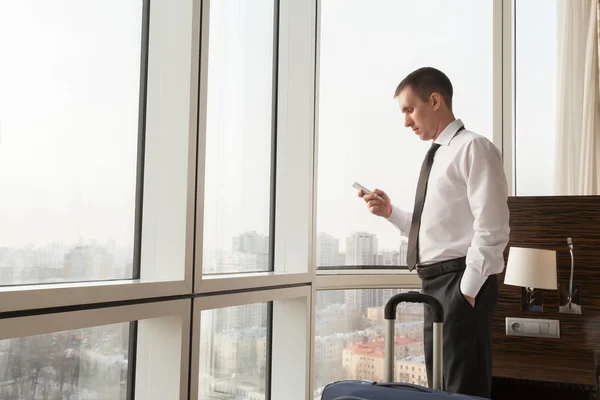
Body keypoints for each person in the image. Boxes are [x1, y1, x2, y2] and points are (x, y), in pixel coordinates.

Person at [359, 67, 510, 398]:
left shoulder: (474, 148)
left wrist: (466, 292)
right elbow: (433, 230)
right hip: (434, 287)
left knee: (461, 391)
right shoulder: (439, 155)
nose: (406, 121)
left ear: (435, 100)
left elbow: (493, 229)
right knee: (439, 391)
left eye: (409, 109)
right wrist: (390, 213)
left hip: (459, 284)